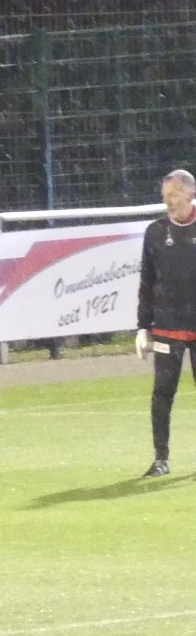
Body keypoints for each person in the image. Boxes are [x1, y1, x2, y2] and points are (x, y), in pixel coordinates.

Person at [137, 168, 196, 476]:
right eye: (165, 197)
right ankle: (161, 459)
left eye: (173, 195)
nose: (168, 202)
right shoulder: (155, 232)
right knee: (162, 393)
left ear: (190, 193)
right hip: (166, 327)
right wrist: (142, 326)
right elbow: (147, 281)